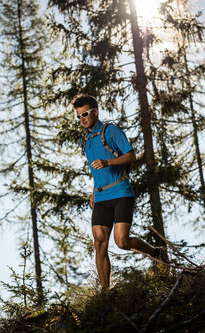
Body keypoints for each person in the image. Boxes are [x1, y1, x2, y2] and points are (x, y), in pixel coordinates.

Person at [72, 94, 165, 289]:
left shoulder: (111, 130)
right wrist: (94, 192)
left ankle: (156, 252)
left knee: (122, 242)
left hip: (121, 192)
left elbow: (131, 155)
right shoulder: (86, 140)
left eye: (85, 114)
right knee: (99, 243)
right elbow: (95, 169)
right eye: (79, 116)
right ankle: (105, 292)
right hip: (101, 197)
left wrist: (108, 162)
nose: (82, 119)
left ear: (96, 112)